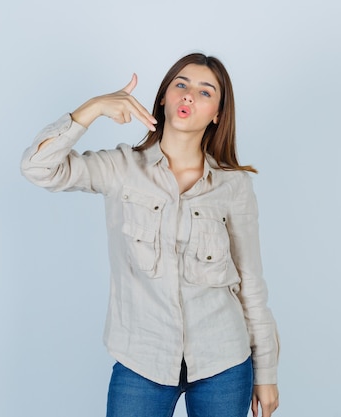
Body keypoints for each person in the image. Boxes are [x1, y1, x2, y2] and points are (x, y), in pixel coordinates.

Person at [20, 52, 279, 417]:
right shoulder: (121, 167)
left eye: (205, 92)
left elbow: (251, 281)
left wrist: (266, 372)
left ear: (218, 113)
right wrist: (91, 109)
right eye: (181, 85)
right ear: (163, 97)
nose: (189, 95)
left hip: (223, 361)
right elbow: (37, 168)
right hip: (141, 361)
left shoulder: (233, 185)